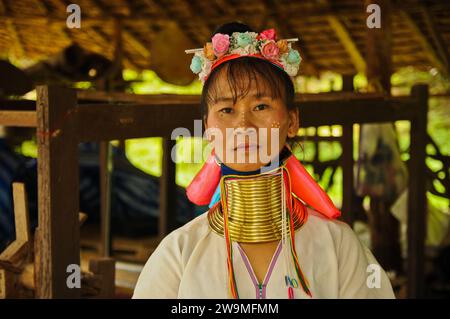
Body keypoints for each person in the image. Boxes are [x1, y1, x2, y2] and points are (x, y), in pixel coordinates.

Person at [133, 22, 395, 299]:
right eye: (226, 110)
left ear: (291, 121)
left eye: (261, 106)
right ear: (208, 128)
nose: (243, 125)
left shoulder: (339, 246)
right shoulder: (179, 252)